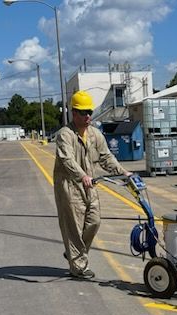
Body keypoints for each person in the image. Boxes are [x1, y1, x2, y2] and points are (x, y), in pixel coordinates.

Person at [53, 90, 131, 279]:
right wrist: (82, 176)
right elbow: (67, 160)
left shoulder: (95, 134)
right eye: (83, 112)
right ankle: (78, 267)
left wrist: (124, 172)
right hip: (70, 185)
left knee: (94, 221)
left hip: (89, 184)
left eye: (89, 112)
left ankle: (74, 253)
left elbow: (106, 157)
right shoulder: (65, 134)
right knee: (74, 227)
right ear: (74, 113)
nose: (87, 116)